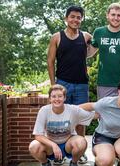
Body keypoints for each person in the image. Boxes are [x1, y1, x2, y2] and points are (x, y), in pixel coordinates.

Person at [46, 5, 93, 164]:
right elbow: (50, 62)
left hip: (81, 84)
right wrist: (54, 85)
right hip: (62, 83)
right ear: (66, 18)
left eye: (79, 17)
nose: (75, 20)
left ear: (81, 19)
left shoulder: (86, 36)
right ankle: (58, 153)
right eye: (72, 16)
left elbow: (100, 45)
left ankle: (80, 153)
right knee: (59, 119)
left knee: (80, 119)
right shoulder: (56, 37)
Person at [28, 84, 95, 166]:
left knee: (81, 142)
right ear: (50, 98)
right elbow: (38, 135)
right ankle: (45, 163)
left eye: (60, 96)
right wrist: (53, 145)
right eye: (54, 96)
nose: (57, 99)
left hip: (68, 144)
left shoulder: (72, 110)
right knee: (33, 146)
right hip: (50, 146)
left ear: (65, 98)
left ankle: (73, 163)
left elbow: (94, 115)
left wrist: (108, 108)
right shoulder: (44, 111)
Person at [89, 3, 120, 99]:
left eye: (119, 15)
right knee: (104, 113)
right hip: (104, 83)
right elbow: (89, 53)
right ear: (107, 15)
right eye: (113, 14)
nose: (115, 18)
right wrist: (80, 39)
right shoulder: (99, 32)